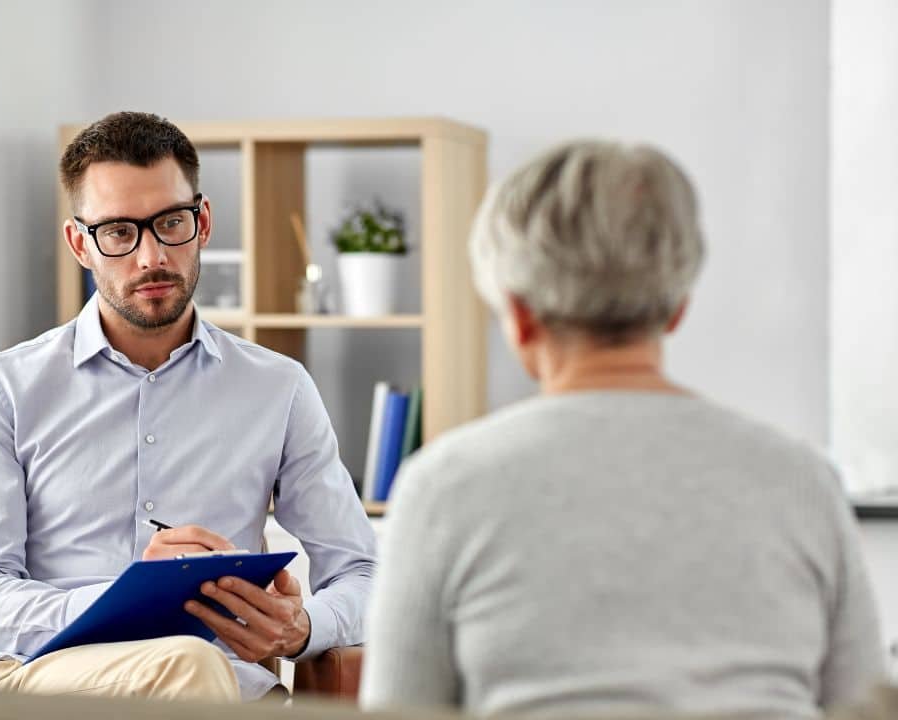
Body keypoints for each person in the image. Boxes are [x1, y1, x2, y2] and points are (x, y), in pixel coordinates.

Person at [360, 140, 886, 717]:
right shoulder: (804, 480)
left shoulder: (442, 486)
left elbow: (399, 711)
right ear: (678, 305)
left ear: (519, 314)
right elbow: (864, 707)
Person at [0, 111, 376, 703]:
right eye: (119, 232)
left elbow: (363, 574)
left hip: (229, 689)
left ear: (202, 223)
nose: (151, 257)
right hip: (49, 689)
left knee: (195, 667)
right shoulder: (2, 387)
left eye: (170, 222)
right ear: (79, 243)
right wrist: (134, 596)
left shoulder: (280, 388)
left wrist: (302, 628)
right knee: (187, 664)